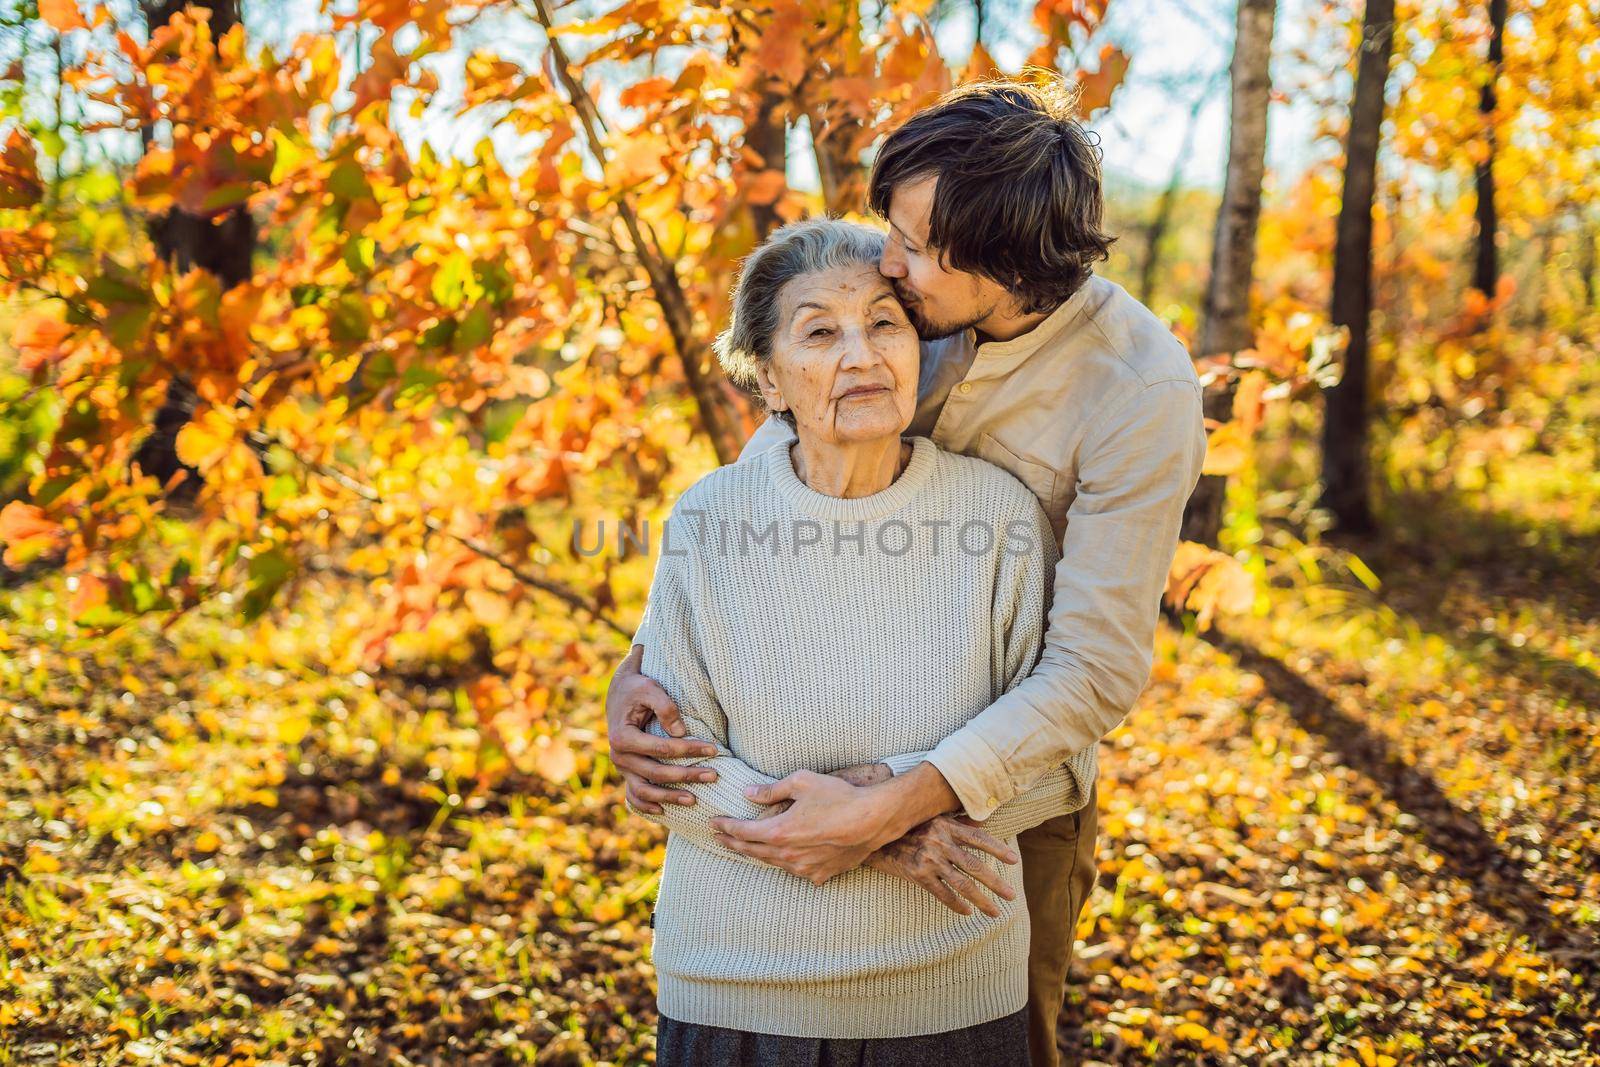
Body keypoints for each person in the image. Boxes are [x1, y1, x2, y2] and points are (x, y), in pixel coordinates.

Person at [608, 76, 1208, 1067]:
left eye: (915, 248)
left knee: (1005, 1033)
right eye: (894, 226)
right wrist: (649, 658)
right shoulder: (905, 301)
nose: (887, 262)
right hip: (797, 737)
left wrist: (898, 807)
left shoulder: (1135, 391)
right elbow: (789, 449)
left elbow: (1091, 670)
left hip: (1003, 775)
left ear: (1004, 264)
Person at [630, 216, 1096, 1064]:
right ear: (769, 381)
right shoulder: (712, 517)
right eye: (820, 332)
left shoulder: (998, 518)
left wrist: (872, 815)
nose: (861, 355)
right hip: (737, 984)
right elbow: (673, 767)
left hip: (949, 992)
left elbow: (1064, 761)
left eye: (885, 322)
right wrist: (885, 832)